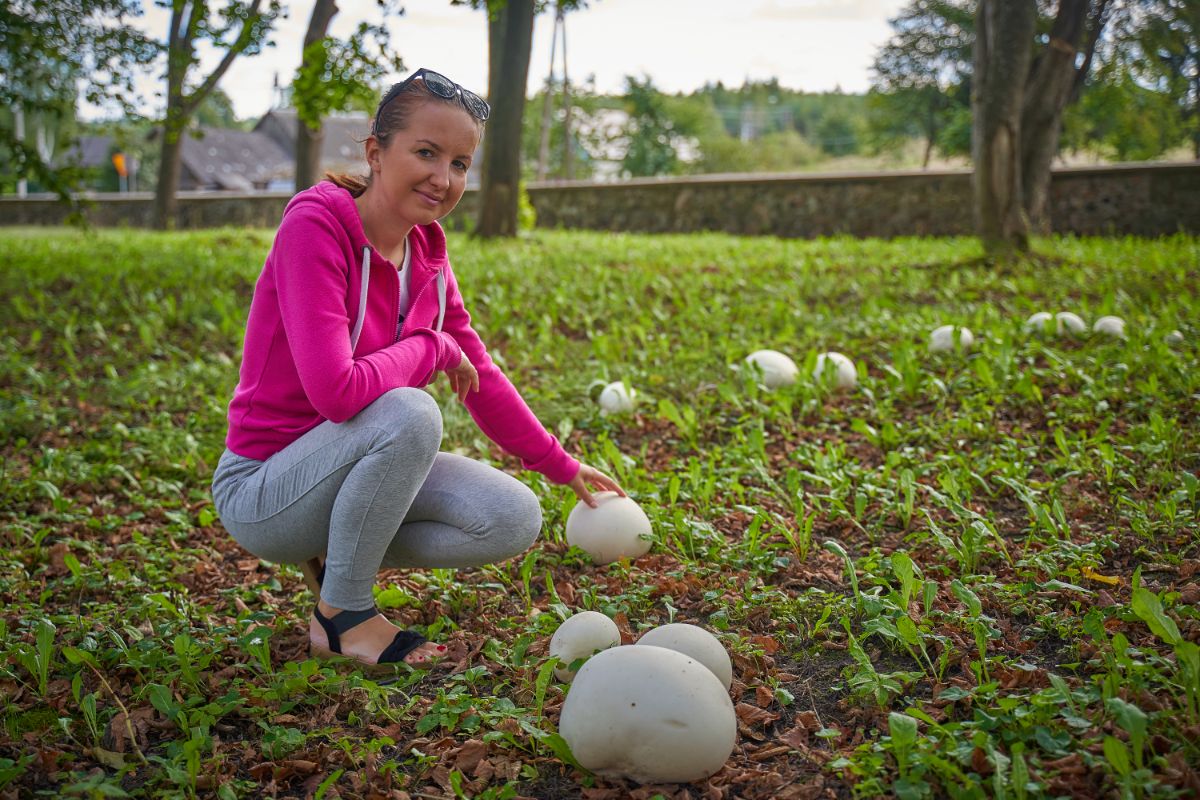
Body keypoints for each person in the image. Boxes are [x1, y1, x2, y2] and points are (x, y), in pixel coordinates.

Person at [211, 68, 624, 670]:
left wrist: (558, 464)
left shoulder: (427, 251)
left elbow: (476, 367)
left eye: (460, 163)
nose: (444, 178)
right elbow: (337, 393)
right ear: (376, 153)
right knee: (409, 410)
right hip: (264, 490)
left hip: (345, 474)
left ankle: (335, 560)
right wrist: (430, 349)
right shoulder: (315, 226)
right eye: (426, 153)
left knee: (512, 518)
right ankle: (343, 616)